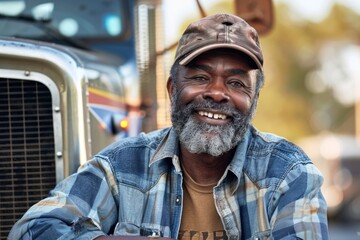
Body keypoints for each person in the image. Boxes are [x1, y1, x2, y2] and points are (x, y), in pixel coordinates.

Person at [9, 13, 328, 240]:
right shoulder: (123, 166)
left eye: (235, 82)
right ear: (172, 90)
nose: (217, 93)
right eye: (200, 77)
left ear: (253, 100)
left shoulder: (289, 174)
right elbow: (33, 228)